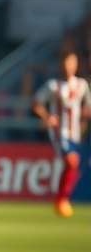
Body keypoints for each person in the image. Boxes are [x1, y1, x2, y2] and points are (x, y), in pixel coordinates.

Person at [32, 48, 91, 217]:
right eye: (66, 63)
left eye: (72, 62)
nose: (69, 66)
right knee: (72, 161)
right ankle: (61, 200)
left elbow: (87, 108)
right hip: (59, 133)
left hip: (76, 134)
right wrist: (47, 116)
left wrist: (83, 121)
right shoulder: (53, 86)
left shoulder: (82, 85)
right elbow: (36, 103)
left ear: (76, 64)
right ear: (61, 65)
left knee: (74, 166)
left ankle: (61, 199)